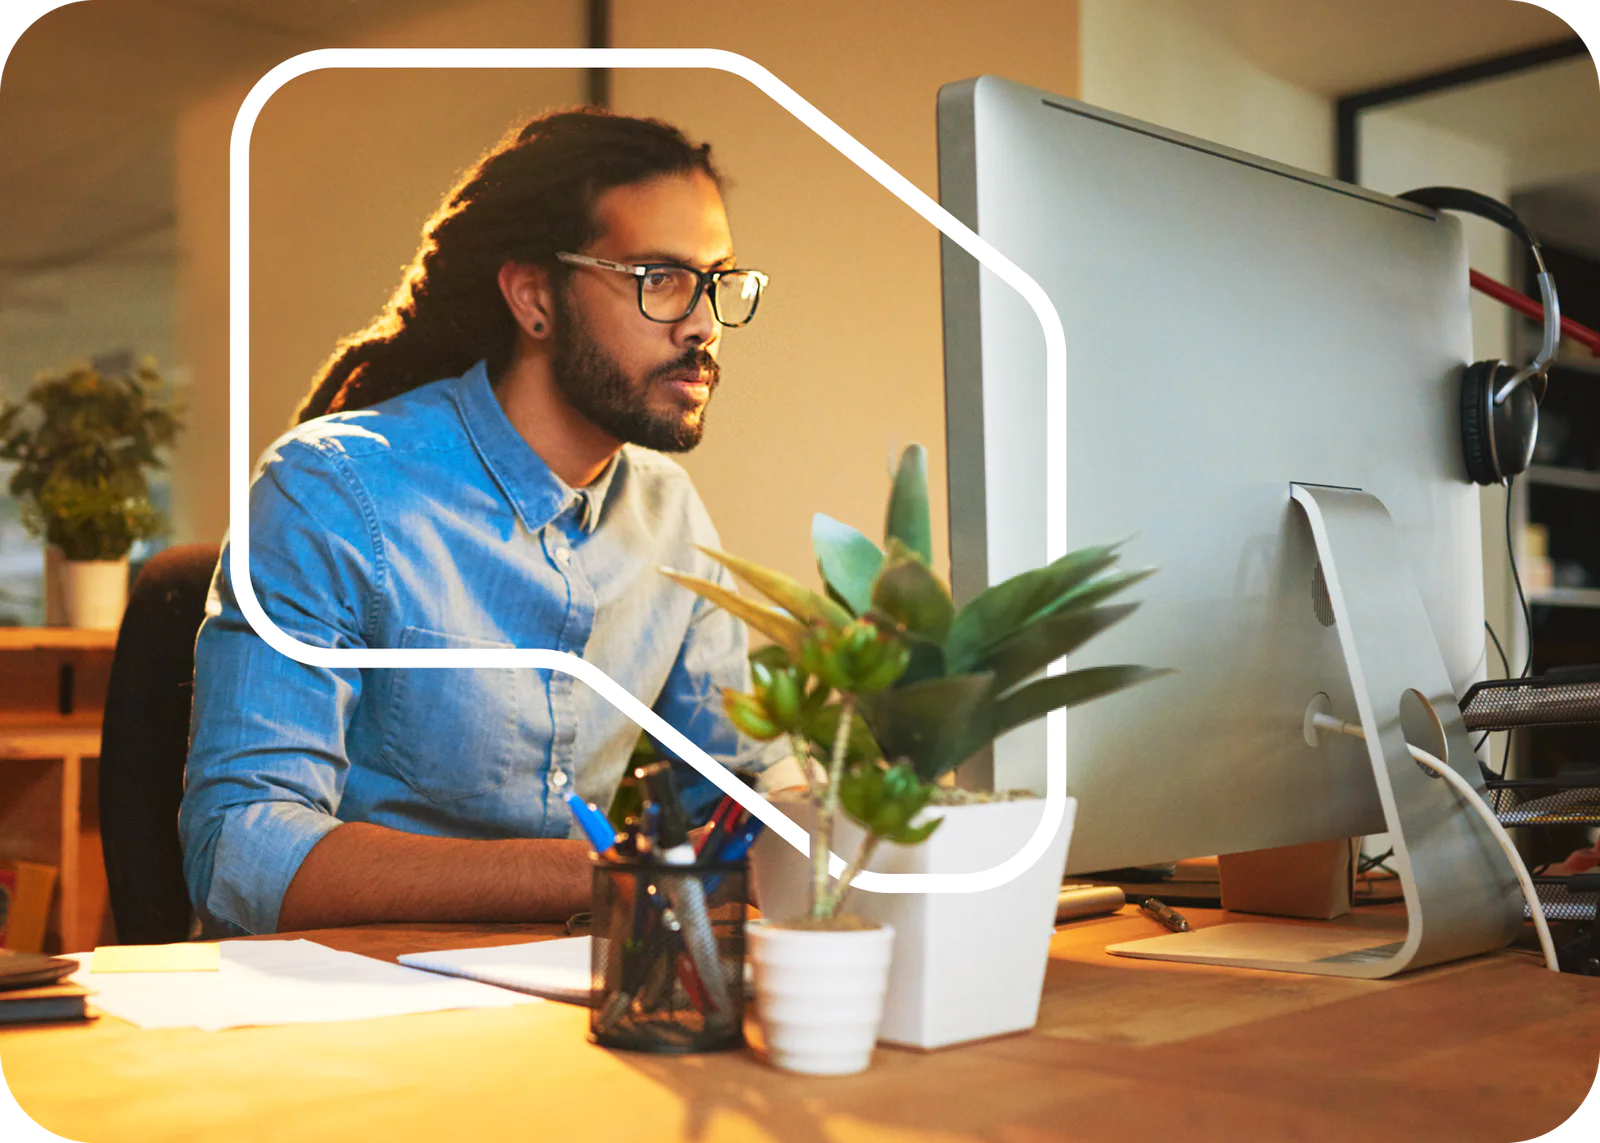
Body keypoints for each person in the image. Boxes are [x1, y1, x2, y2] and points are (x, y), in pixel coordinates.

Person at [180, 108, 802, 938]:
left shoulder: (667, 513)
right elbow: (239, 852)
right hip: (346, 1019)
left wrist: (836, 825)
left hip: (552, 1007)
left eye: (717, 281)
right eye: (660, 278)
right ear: (534, 297)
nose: (702, 325)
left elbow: (745, 791)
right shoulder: (332, 489)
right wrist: (604, 870)